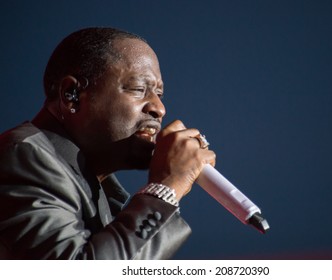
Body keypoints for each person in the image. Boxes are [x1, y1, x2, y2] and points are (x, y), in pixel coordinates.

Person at [0, 27, 216, 259]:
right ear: (72, 94)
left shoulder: (98, 190)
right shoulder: (23, 155)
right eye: (138, 89)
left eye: (159, 95)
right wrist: (165, 190)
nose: (159, 109)